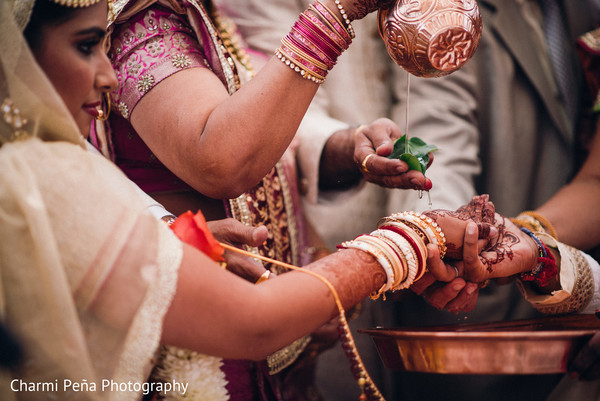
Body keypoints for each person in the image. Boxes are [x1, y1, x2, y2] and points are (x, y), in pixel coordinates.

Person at [1, 1, 493, 401]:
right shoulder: (137, 21)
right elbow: (221, 158)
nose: (105, 77)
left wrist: (341, 165)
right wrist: (412, 238)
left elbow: (258, 135)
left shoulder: (203, 13)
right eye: (89, 47)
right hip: (215, 344)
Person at [217, 0, 600, 399]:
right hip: (324, 269)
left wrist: (458, 240)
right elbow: (271, 98)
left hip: (459, 289)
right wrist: (436, 238)